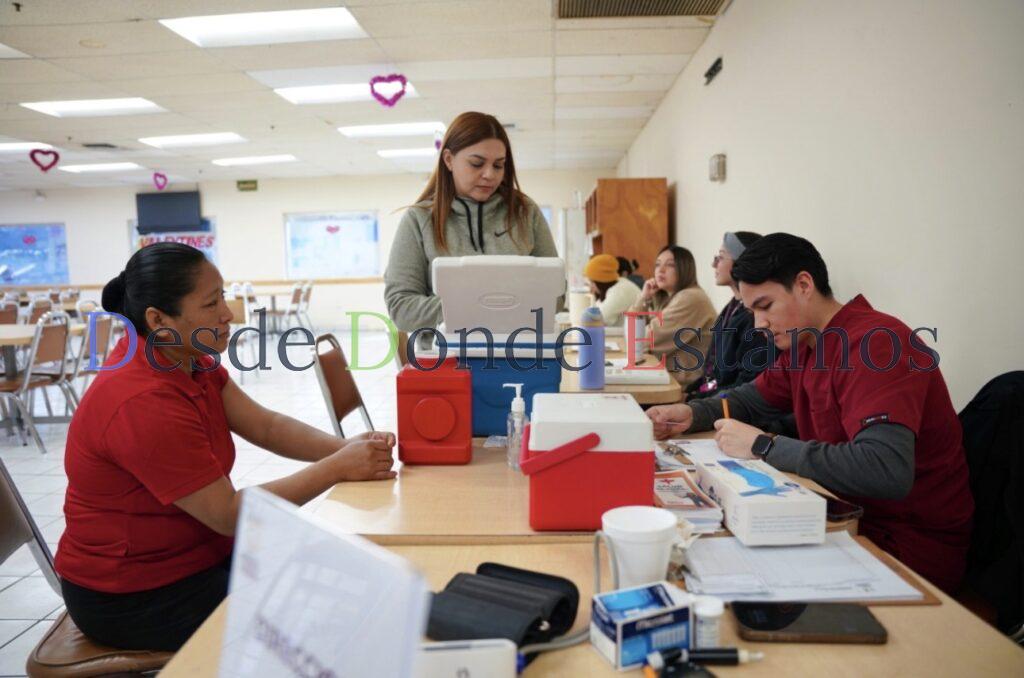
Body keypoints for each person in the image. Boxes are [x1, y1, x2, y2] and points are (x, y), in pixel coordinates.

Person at [55, 243, 398, 651]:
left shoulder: (186, 357)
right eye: (211, 303)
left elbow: (267, 426)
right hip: (136, 594)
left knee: (347, 579)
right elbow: (228, 515)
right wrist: (337, 468)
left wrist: (341, 448)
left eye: (224, 296)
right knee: (318, 627)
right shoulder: (142, 400)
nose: (228, 314)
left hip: (198, 558)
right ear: (159, 319)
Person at [646, 233, 973, 593]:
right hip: (840, 518)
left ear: (804, 285)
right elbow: (752, 399)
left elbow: (886, 469)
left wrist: (764, 446)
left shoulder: (876, 342)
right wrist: (691, 413)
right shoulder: (806, 343)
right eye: (752, 310)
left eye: (765, 306)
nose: (758, 324)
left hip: (903, 548)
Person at [384, 111, 558, 332]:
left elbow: (557, 295)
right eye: (477, 164)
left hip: (520, 355)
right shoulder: (419, 219)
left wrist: (483, 305)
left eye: (498, 165)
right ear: (448, 159)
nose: (490, 175)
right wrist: (481, 305)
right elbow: (401, 309)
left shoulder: (526, 212)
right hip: (445, 359)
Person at [686, 231, 771, 400]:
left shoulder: (753, 318)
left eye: (721, 257)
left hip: (730, 408)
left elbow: (746, 384)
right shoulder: (732, 307)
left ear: (742, 262)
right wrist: (691, 393)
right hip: (714, 399)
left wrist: (696, 401)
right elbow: (713, 374)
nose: (713, 264)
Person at [626, 246, 716, 387]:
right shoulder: (668, 298)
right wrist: (644, 298)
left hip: (681, 388)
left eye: (670, 265)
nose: (660, 270)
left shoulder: (690, 298)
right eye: (657, 264)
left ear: (684, 269)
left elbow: (638, 341)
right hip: (666, 378)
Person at [584, 253, 641, 326]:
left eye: (592, 282)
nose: (591, 287)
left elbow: (595, 320)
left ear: (600, 282)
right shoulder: (616, 284)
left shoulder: (620, 290)